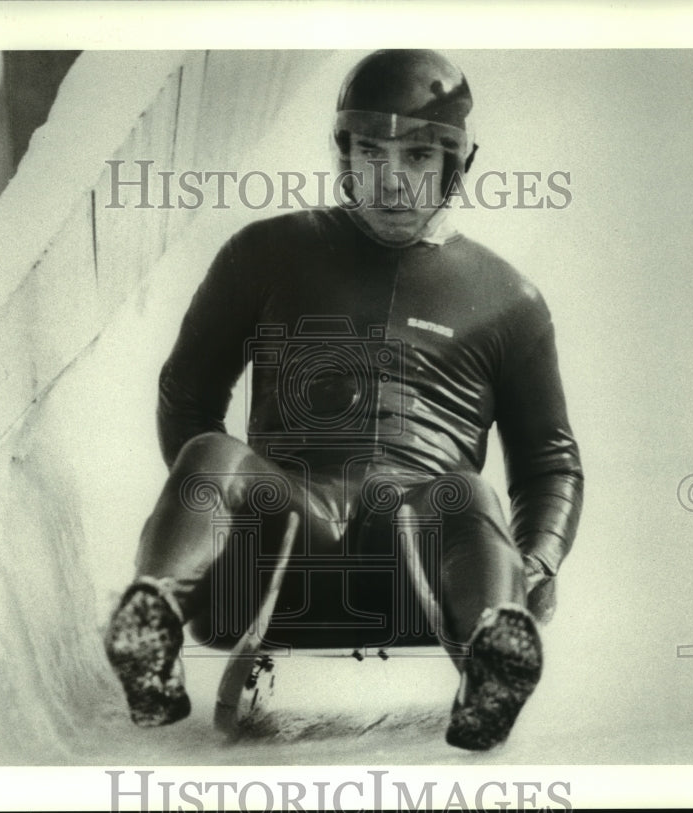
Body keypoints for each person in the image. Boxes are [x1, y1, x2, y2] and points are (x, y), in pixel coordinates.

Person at [104, 49, 583, 751]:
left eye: (418, 156)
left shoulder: (507, 300)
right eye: (371, 152)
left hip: (417, 564)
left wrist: (536, 564)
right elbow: (188, 389)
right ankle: (153, 623)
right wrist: (216, 522)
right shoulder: (266, 253)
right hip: (281, 549)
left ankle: (495, 649)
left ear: (455, 164)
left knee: (467, 492)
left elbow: (550, 462)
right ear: (345, 155)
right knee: (213, 452)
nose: (391, 180)